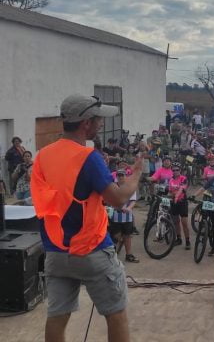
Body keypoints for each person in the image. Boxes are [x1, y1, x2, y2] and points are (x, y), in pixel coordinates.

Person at [31, 94, 141, 342]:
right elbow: (117, 198)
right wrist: (136, 175)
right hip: (91, 250)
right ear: (86, 123)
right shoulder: (88, 157)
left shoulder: (43, 156)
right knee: (116, 314)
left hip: (55, 251)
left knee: (57, 316)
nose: (101, 124)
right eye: (98, 119)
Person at [108, 170, 139, 263]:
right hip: (115, 216)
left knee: (127, 235)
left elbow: (133, 200)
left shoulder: (129, 187)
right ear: (116, 176)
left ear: (125, 176)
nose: (121, 177)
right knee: (115, 236)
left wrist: (129, 208)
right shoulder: (113, 187)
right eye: (119, 175)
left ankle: (128, 254)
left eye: (122, 175)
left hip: (127, 216)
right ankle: (113, 254)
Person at [168, 162, 191, 249]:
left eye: (177, 170)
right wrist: (172, 194)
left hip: (182, 202)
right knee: (176, 222)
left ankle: (187, 241)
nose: (175, 171)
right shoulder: (171, 180)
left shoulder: (183, 178)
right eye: (173, 170)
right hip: (174, 202)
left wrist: (176, 194)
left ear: (180, 170)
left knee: (184, 223)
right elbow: (170, 191)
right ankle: (179, 239)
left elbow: (182, 189)